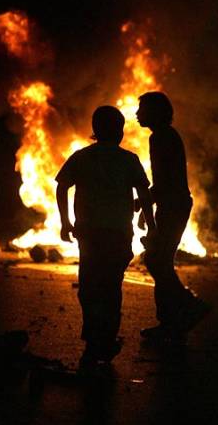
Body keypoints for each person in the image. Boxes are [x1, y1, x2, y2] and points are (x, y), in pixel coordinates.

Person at [56, 106, 156, 370]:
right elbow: (145, 194)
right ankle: (106, 340)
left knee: (89, 288)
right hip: (117, 235)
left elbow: (62, 186)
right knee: (111, 288)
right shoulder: (129, 160)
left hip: (89, 234)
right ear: (120, 131)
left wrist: (65, 222)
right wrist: (152, 225)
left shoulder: (82, 157)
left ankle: (93, 340)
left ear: (95, 130)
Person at [136, 92, 212, 343]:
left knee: (157, 261)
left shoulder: (161, 138)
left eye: (142, 109)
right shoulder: (164, 136)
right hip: (173, 204)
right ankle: (170, 323)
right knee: (159, 261)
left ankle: (188, 305)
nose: (137, 114)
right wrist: (145, 204)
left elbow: (163, 181)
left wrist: (145, 202)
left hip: (174, 205)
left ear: (155, 112)